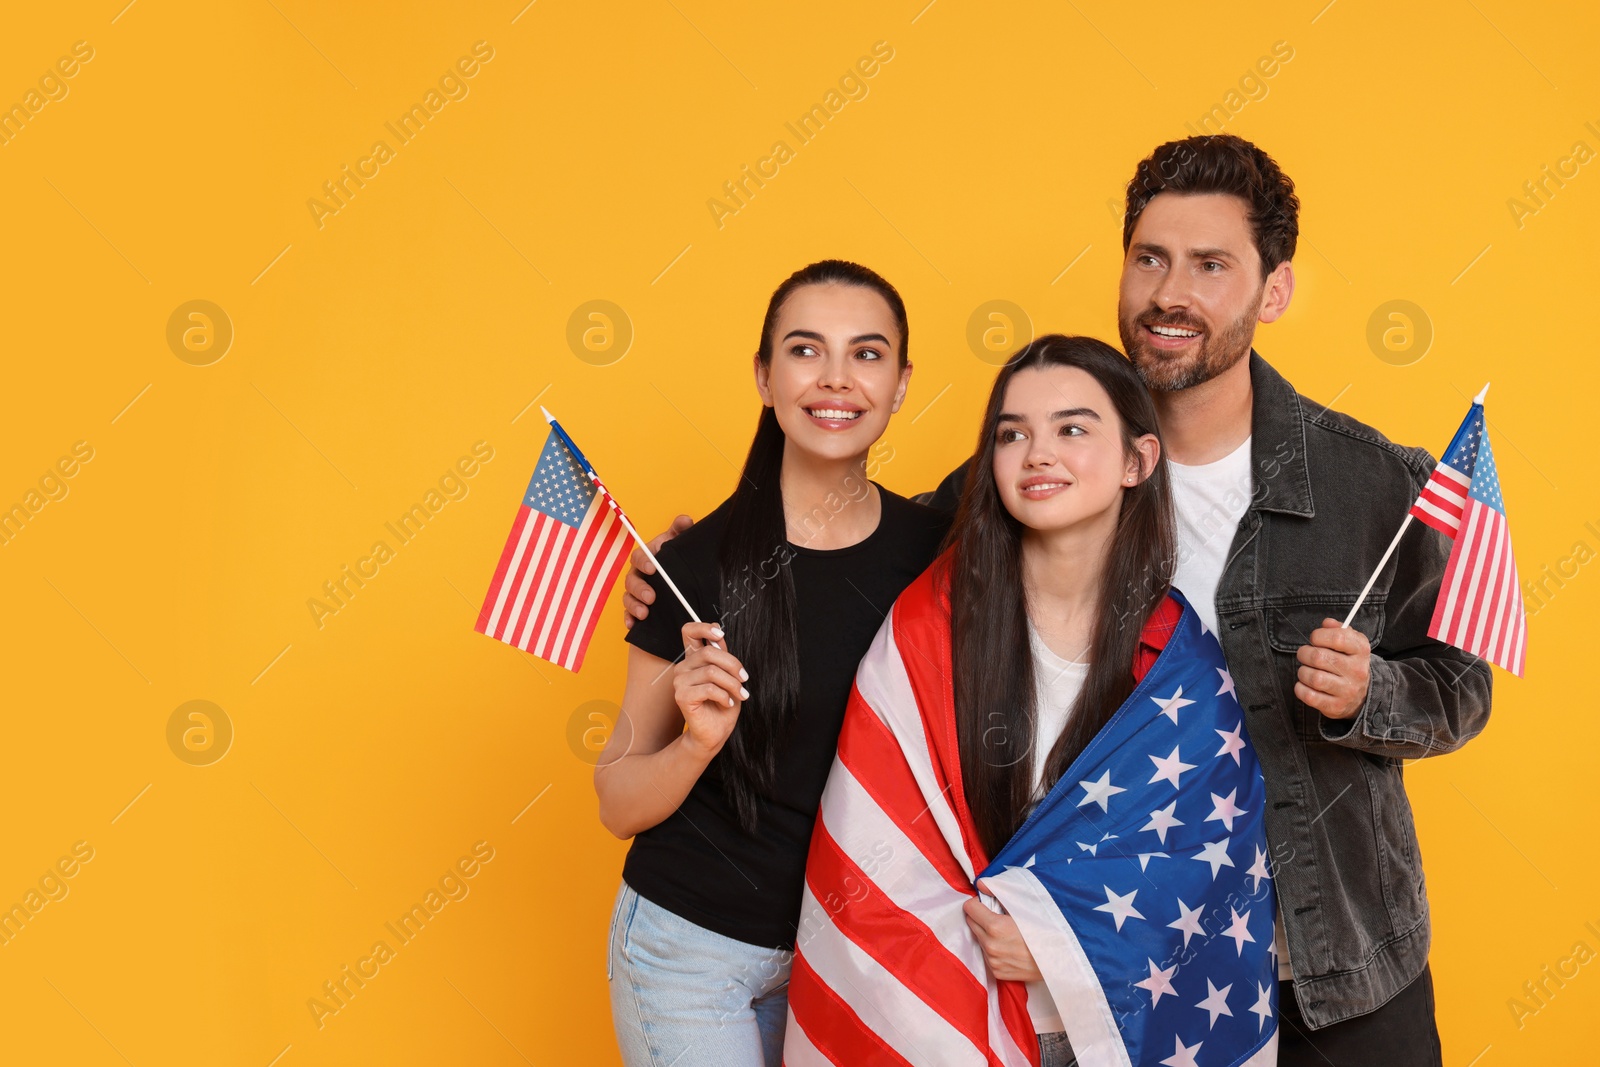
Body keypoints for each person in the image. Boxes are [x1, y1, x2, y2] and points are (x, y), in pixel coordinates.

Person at [624, 135, 1493, 1066]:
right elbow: (873, 540)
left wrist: (1374, 697)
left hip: (1331, 961)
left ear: (1273, 291)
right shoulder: (1051, 458)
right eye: (1150, 258)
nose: (1171, 292)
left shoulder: (1374, 484)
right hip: (1105, 965)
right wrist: (709, 559)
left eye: (1211, 265)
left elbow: (1462, 683)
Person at [784, 335, 1279, 1067]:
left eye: (1072, 429)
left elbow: (1208, 869)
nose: (1037, 453)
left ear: (1138, 461)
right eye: (1012, 433)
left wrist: (1055, 942)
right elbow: (874, 841)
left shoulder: (1181, 659)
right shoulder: (928, 625)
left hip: (1118, 1030)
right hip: (948, 1017)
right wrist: (688, 568)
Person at [594, 259, 950, 1067]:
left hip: (851, 957)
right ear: (763, 376)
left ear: (899, 384)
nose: (835, 379)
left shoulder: (937, 556)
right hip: (689, 954)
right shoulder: (694, 568)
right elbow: (616, 799)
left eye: (866, 353)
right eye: (804, 350)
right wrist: (694, 741)